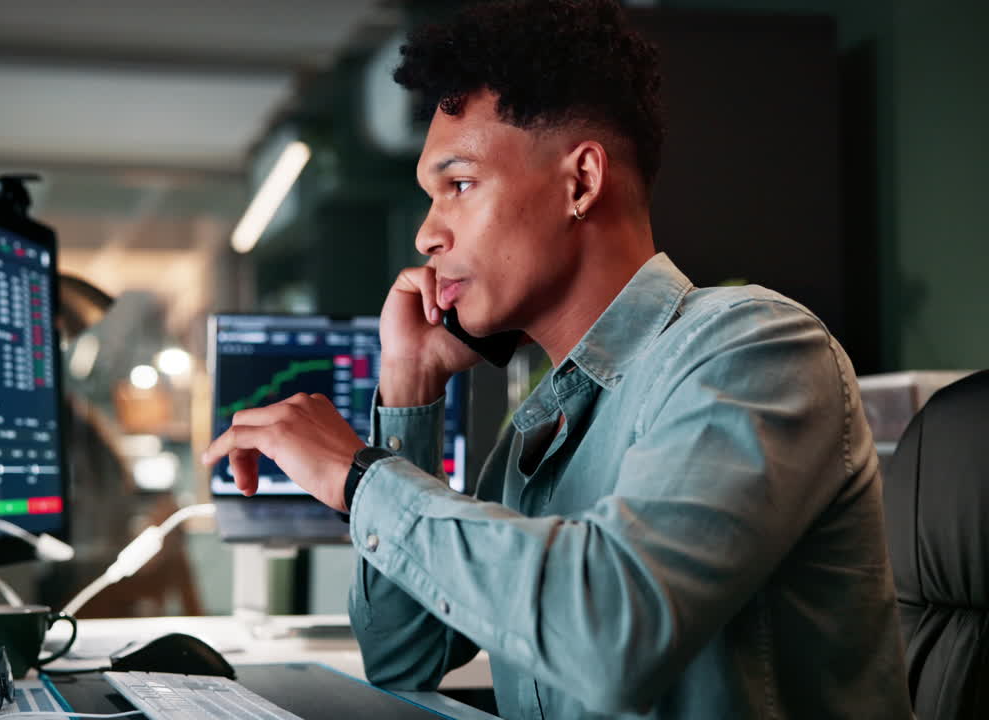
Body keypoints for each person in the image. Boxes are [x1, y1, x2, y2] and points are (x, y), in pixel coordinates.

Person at [202, 0, 911, 717]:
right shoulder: (540, 428)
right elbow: (400, 656)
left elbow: (612, 634)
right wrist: (409, 393)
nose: (426, 235)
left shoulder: (752, 347)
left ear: (581, 182)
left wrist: (357, 478)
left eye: (460, 185)